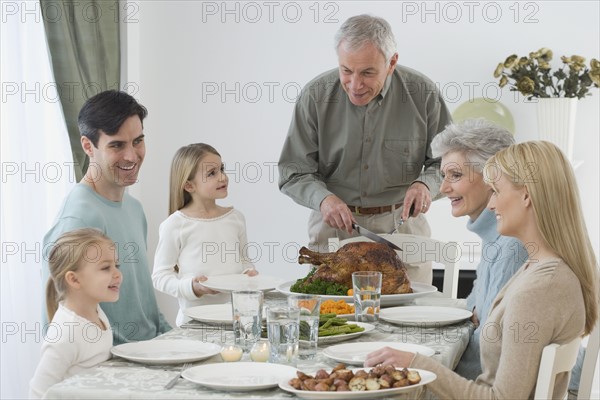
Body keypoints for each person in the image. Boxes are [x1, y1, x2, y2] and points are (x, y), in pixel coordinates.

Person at [365, 141, 599, 399]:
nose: (491, 205)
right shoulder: (540, 268)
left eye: (496, 191)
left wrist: (419, 363)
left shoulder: (537, 289)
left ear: (526, 195)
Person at [278, 14, 451, 283]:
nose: (355, 85)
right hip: (334, 226)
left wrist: (426, 184)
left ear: (392, 62)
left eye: (368, 72)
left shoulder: (423, 94)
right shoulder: (315, 96)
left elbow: (448, 162)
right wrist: (323, 199)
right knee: (332, 319)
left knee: (415, 319)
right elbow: (293, 171)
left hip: (403, 224)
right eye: (346, 70)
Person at [42, 90, 171, 344]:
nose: (132, 156)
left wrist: (170, 338)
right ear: (88, 146)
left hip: (150, 356)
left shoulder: (134, 209)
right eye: (116, 145)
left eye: (138, 141)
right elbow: (57, 320)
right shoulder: (78, 217)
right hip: (112, 368)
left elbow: (142, 298)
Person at [430, 119, 528, 379]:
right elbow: (472, 311)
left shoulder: (511, 247)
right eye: (443, 176)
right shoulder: (495, 237)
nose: (443, 188)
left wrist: (427, 372)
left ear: (492, 178)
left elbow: (491, 350)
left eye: (456, 175)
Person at [152, 143, 258, 326]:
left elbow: (244, 261)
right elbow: (160, 277)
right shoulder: (175, 224)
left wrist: (248, 273)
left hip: (235, 320)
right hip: (194, 323)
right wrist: (192, 288)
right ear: (189, 185)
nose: (223, 177)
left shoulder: (236, 218)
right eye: (212, 173)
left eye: (222, 169)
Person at [30, 229, 121, 398]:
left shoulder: (96, 311)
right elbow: (38, 391)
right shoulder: (66, 334)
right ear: (74, 279)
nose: (118, 274)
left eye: (117, 265)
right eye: (106, 268)